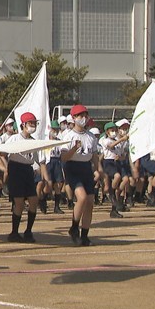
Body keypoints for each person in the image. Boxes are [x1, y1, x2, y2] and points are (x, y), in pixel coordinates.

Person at [5, 112, 51, 243]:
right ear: (23, 125)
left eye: (34, 123)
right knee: (19, 202)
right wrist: (5, 170)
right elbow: (2, 152)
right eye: (30, 123)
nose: (33, 126)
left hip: (27, 170)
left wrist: (46, 179)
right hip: (16, 169)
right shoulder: (14, 139)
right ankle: (14, 232)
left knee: (34, 200)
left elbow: (40, 161)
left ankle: (28, 231)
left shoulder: (33, 142)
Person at [60, 105, 101, 247]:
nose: (83, 118)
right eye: (79, 115)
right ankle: (74, 227)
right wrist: (74, 148)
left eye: (85, 115)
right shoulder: (68, 136)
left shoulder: (90, 136)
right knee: (82, 197)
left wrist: (98, 169)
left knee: (89, 202)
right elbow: (64, 157)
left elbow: (94, 155)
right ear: (73, 118)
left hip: (86, 168)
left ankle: (85, 235)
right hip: (73, 167)